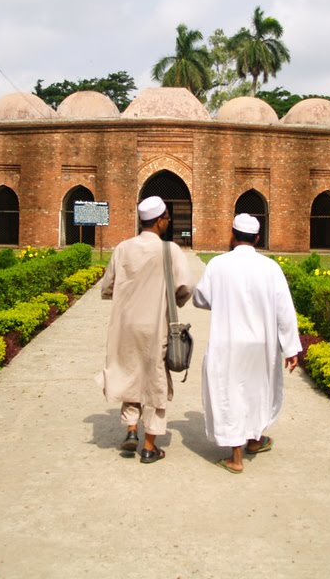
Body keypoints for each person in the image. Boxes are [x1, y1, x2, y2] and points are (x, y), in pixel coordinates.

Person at [193, 213, 301, 473]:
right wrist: (291, 347)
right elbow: (284, 310)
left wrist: (223, 300)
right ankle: (254, 439)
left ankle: (236, 457)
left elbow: (199, 299)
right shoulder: (270, 267)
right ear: (257, 238)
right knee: (255, 390)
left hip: (228, 341)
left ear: (232, 235)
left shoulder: (218, 265)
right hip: (260, 344)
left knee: (229, 392)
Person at [97, 195, 192, 463]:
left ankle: (130, 429)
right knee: (154, 379)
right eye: (167, 219)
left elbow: (107, 287)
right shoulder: (169, 250)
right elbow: (185, 287)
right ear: (160, 221)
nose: (168, 222)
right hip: (155, 325)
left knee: (129, 372)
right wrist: (174, 300)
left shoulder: (122, 248)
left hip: (125, 325)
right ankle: (150, 445)